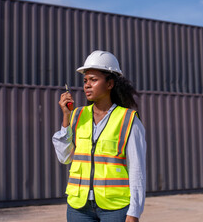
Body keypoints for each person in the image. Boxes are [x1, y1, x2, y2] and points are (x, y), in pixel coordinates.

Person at [52, 50, 146, 222]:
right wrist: (66, 117)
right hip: (79, 208)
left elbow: (137, 170)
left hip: (114, 208)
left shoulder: (128, 119)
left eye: (93, 80)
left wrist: (134, 212)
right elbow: (64, 157)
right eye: (85, 80)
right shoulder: (77, 115)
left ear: (110, 84)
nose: (87, 85)